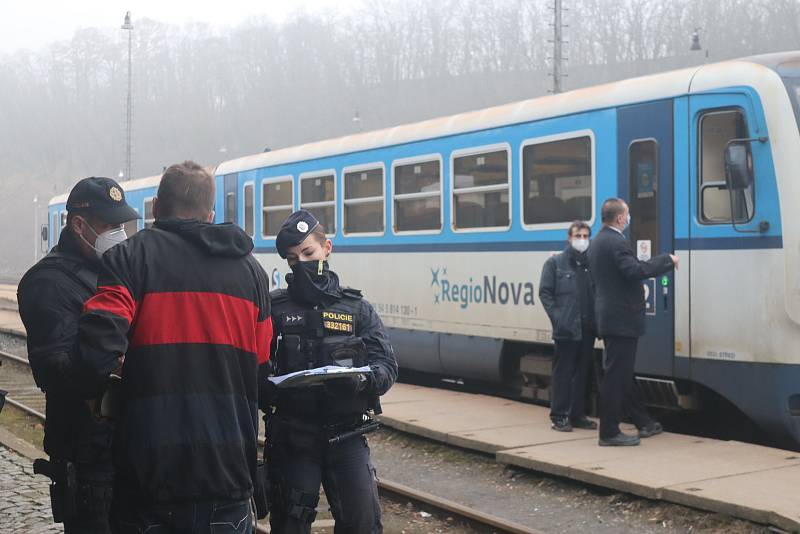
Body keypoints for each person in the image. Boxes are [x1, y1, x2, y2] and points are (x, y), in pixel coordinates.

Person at [74, 161, 272, 533]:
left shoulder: (129, 259)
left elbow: (95, 353)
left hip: (150, 482)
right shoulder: (252, 274)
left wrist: (95, 396)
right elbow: (262, 365)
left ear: (155, 207)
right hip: (228, 480)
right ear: (210, 213)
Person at [262, 209, 397, 534]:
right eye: (294, 259)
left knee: (362, 523)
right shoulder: (274, 309)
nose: (303, 263)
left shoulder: (356, 309)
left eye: (309, 253)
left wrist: (362, 379)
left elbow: (387, 367)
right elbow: (253, 368)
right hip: (295, 439)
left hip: (347, 436)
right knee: (291, 525)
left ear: (327, 248)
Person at [18, 176, 139, 533]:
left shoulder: (117, 270)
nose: (119, 233)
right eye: (110, 226)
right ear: (79, 225)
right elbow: (61, 370)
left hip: (129, 447)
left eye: (122, 225)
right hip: (89, 457)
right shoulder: (48, 283)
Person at [587, 198, 678, 446]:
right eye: (627, 215)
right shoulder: (617, 242)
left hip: (610, 316)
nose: (629, 219)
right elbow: (635, 271)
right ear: (619, 218)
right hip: (622, 319)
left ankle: (643, 421)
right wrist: (667, 260)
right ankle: (609, 432)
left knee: (621, 374)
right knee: (616, 377)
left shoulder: (597, 242)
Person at [539, 220, 597, 432]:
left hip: (587, 328)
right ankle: (559, 416)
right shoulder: (555, 263)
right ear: (569, 238)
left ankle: (577, 414)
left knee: (583, 373)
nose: (582, 240)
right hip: (566, 329)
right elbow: (545, 292)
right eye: (577, 236)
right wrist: (558, 318)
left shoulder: (591, 264)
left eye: (585, 236)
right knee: (563, 374)